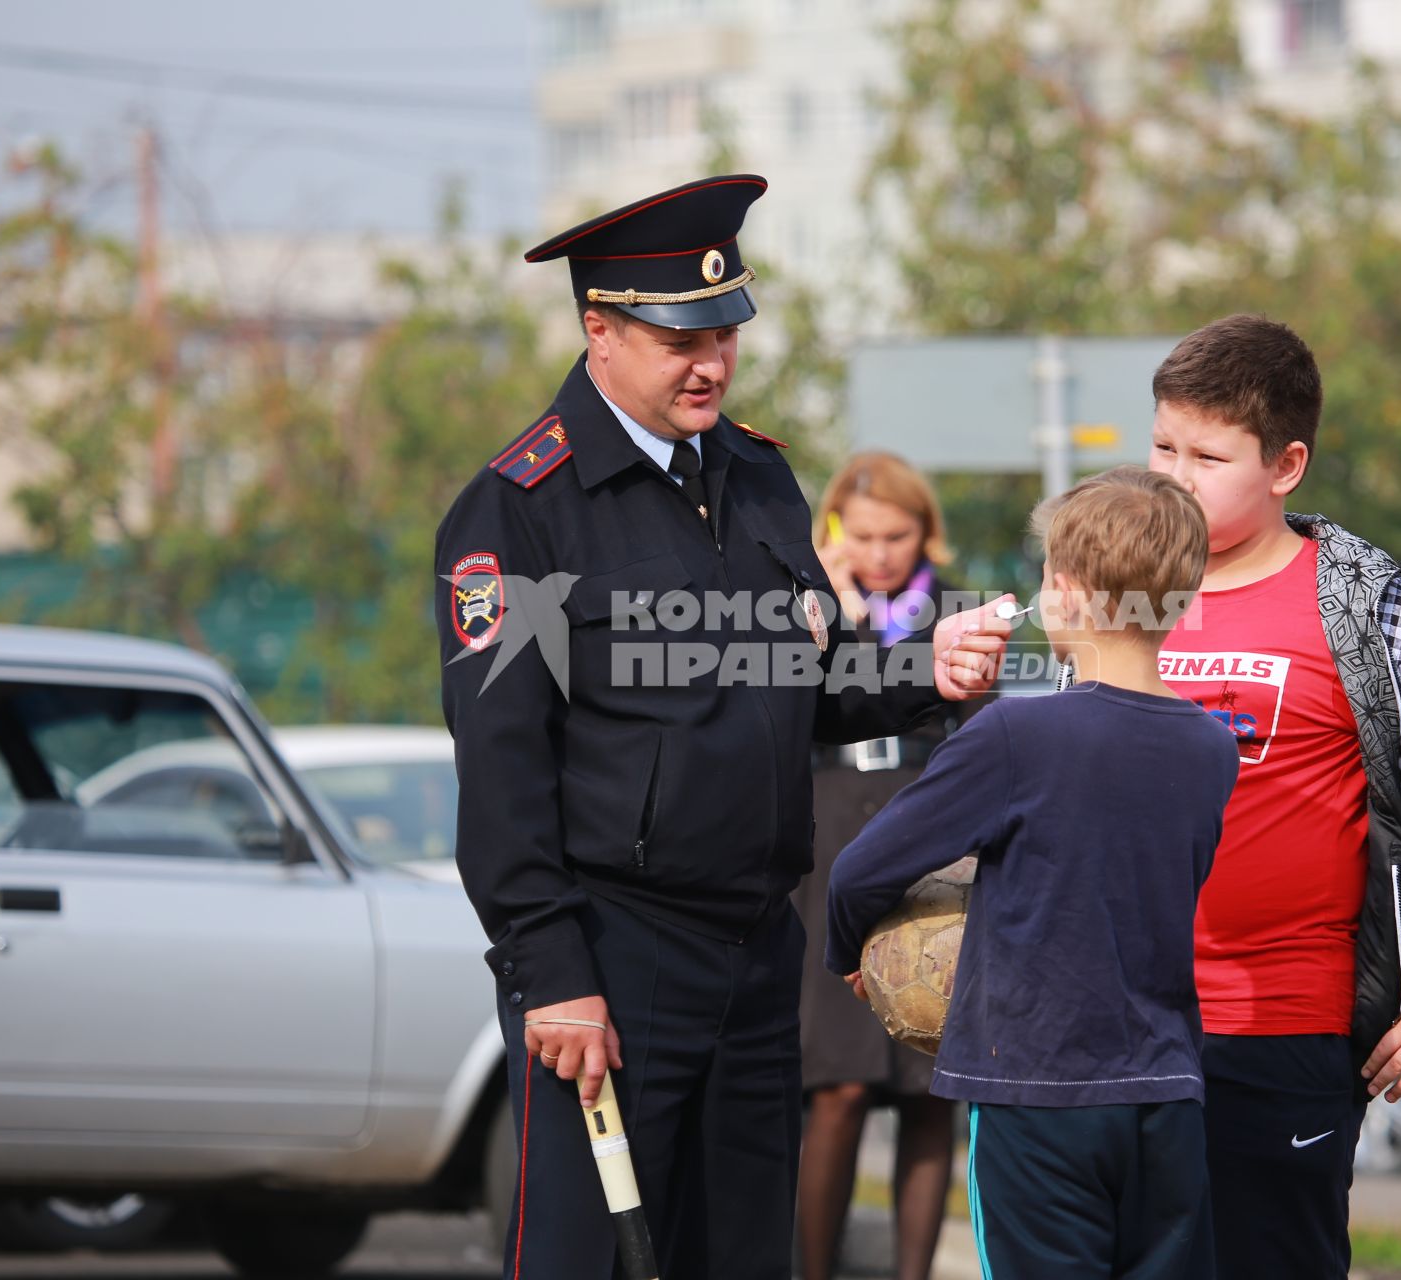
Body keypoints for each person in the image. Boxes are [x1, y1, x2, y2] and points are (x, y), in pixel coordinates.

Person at [432, 173, 1012, 1280]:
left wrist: (920, 672)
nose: (709, 361)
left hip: (757, 954)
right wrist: (551, 968)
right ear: (599, 329)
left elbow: (798, 682)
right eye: (674, 337)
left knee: (746, 1253)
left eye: (723, 331)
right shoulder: (520, 507)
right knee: (591, 1259)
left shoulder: (756, 477)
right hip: (610, 952)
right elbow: (500, 770)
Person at [1146, 314, 1401, 1278]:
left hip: (1285, 1036)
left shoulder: (1367, 599)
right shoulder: (1122, 579)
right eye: (1162, 444)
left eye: (1208, 456)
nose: (1172, 475)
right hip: (1122, 1029)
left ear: (1286, 466)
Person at [826, 467, 1239, 1280]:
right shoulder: (1212, 747)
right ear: (1183, 599)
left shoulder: (1016, 736)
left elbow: (858, 872)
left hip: (1035, 1095)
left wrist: (852, 956)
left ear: (1061, 591)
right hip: (1166, 1091)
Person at [792, 452, 963, 1280]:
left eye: (897, 535)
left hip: (926, 841)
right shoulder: (807, 607)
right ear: (831, 532)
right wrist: (839, 610)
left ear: (925, 533)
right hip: (829, 848)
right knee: (839, 1086)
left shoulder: (954, 613)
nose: (881, 552)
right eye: (861, 536)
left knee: (932, 1092)